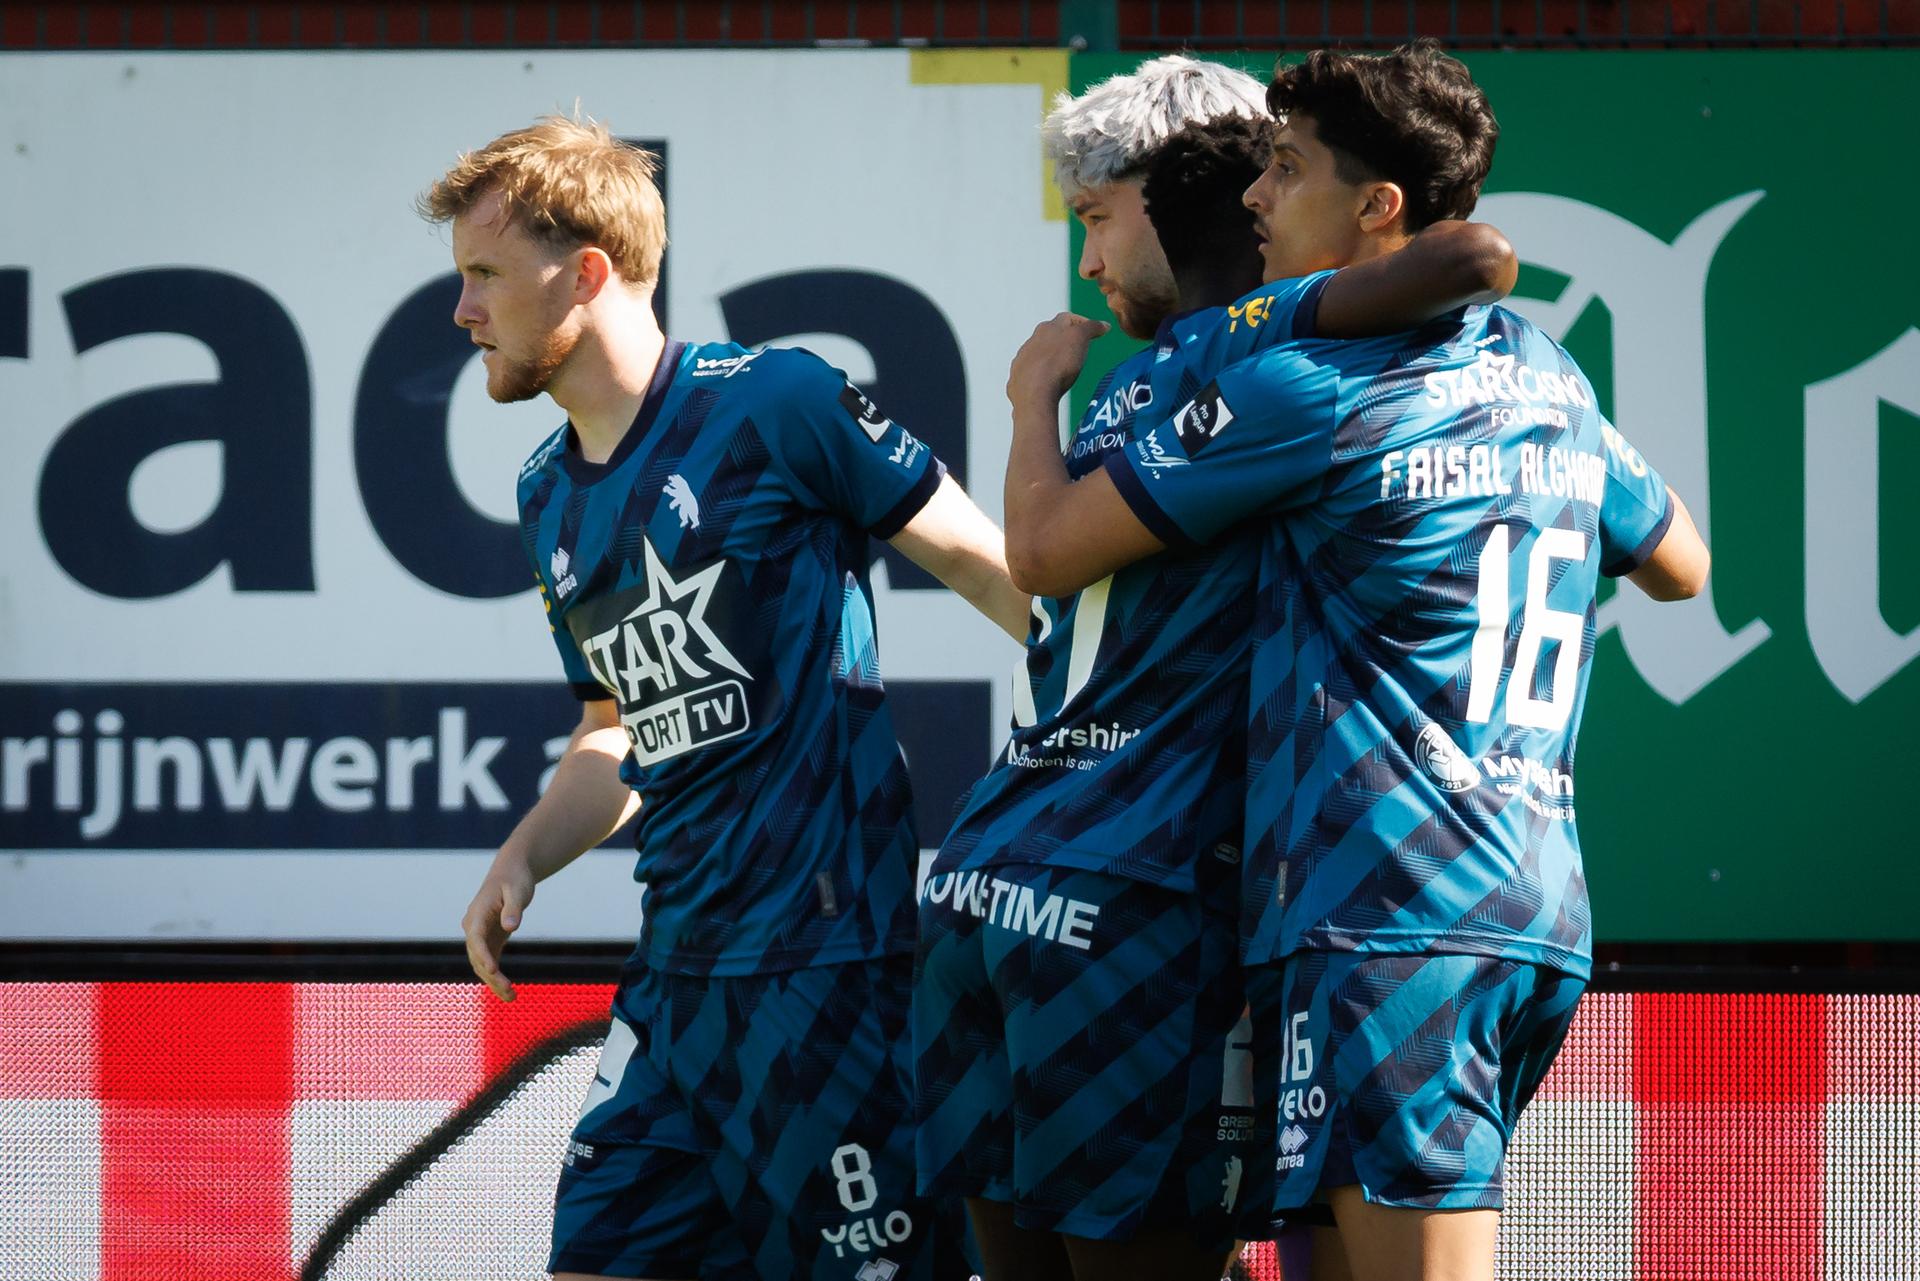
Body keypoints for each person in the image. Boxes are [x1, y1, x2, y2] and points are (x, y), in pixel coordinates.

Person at [994, 41, 1710, 1281]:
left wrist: (1035, 405)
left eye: (1286, 169)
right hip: (1529, 892)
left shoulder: (1309, 386)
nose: (1257, 199)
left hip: (1386, 906)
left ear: (1379, 206)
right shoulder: (1550, 373)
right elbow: (1681, 561)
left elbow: (1046, 552)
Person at [913, 85, 1520, 1281]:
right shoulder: (1269, 363)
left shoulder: (1129, 403)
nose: (1087, 260)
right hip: (1136, 891)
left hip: (988, 870)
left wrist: (1033, 396)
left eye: (1095, 217)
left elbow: (1036, 560)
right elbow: (1473, 260)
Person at [419, 115, 1027, 1281]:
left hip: (831, 973)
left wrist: (1125, 735)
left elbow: (984, 567)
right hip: (674, 987)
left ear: (587, 272)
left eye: (483, 275)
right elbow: (615, 735)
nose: (462, 313)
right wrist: (527, 854)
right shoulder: (547, 492)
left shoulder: (777, 402)